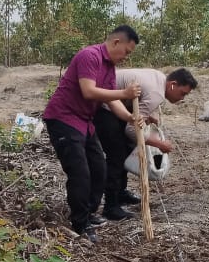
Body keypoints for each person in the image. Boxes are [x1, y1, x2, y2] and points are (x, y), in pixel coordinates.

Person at [42, 25, 142, 243]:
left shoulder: (109, 68)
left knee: (99, 167)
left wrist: (130, 117)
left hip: (84, 122)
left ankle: (89, 212)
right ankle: (80, 222)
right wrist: (124, 92)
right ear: (116, 42)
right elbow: (89, 91)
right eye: (127, 51)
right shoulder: (90, 55)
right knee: (80, 173)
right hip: (63, 119)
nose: (126, 57)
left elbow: (111, 99)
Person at [94, 67, 197, 219]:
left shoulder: (160, 79)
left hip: (115, 102)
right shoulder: (157, 93)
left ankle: (120, 193)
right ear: (173, 84)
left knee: (125, 150)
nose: (182, 99)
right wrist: (159, 144)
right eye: (183, 93)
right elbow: (131, 130)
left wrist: (149, 115)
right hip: (103, 106)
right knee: (116, 155)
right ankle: (111, 206)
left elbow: (139, 107)